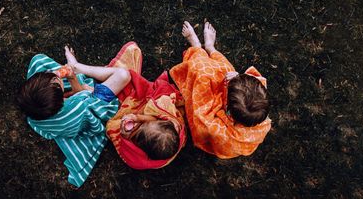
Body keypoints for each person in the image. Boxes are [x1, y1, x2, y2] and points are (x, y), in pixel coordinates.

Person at [16, 46, 130, 187]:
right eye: (58, 82)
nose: (58, 75)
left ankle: (69, 70)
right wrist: (73, 77)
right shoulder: (73, 109)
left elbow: (40, 64)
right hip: (89, 100)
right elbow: (82, 95)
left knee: (39, 61)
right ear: (61, 101)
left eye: (52, 75)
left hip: (61, 98)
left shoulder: (35, 105)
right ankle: (77, 66)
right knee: (123, 75)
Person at [169, 21, 272, 158]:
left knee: (202, 71)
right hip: (233, 120)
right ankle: (211, 48)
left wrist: (222, 83)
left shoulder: (217, 129)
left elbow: (201, 120)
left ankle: (197, 48)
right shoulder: (260, 118)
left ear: (229, 109)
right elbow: (255, 82)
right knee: (227, 70)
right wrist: (235, 77)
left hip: (216, 117)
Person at [105, 42, 187, 169]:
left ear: (140, 145)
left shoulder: (135, 158)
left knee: (114, 117)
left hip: (137, 134)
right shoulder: (173, 130)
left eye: (140, 129)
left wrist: (125, 135)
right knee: (162, 95)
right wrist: (138, 118)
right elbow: (157, 118)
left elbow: (117, 135)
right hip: (160, 127)